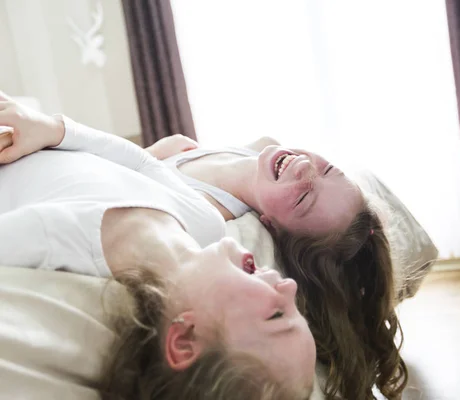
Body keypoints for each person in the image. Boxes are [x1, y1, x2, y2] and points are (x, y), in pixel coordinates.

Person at [0, 93, 407, 399]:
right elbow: (141, 164)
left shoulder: (72, 243)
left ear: (185, 337)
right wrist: (54, 129)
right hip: (34, 133)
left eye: (276, 315)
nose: (289, 287)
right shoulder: (206, 226)